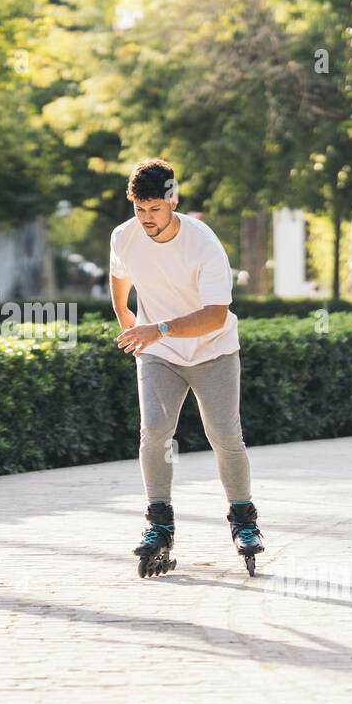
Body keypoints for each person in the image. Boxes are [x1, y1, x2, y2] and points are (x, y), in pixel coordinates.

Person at [109, 158, 264, 577]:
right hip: (160, 354)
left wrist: (156, 328)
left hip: (212, 350)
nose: (147, 219)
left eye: (155, 209)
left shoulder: (203, 243)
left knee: (224, 433)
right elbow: (119, 280)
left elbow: (216, 315)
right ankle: (159, 522)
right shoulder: (124, 237)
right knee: (155, 430)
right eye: (140, 209)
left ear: (173, 200)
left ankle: (244, 520)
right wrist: (131, 327)